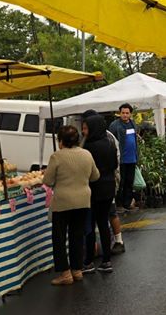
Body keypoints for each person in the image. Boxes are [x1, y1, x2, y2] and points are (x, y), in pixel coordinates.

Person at [43, 125, 99, 286]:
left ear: (61, 141)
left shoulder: (57, 157)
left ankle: (65, 273)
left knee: (59, 238)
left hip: (63, 202)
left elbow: (47, 180)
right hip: (83, 200)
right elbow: (95, 176)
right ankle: (77, 270)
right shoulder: (86, 154)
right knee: (77, 235)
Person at [81, 114, 117, 273]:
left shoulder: (89, 147)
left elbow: (86, 170)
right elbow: (115, 164)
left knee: (89, 224)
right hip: (109, 187)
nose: (84, 131)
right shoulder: (110, 142)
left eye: (86, 128)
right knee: (103, 222)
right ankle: (106, 260)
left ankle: (88, 261)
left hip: (94, 188)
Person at [108, 103, 139, 213]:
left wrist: (136, 155)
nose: (125, 115)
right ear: (119, 113)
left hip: (132, 158)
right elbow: (110, 140)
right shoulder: (115, 125)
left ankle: (127, 203)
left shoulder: (133, 124)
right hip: (121, 159)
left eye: (127, 113)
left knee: (129, 182)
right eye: (123, 113)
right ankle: (119, 204)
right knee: (121, 182)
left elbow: (135, 140)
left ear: (130, 114)